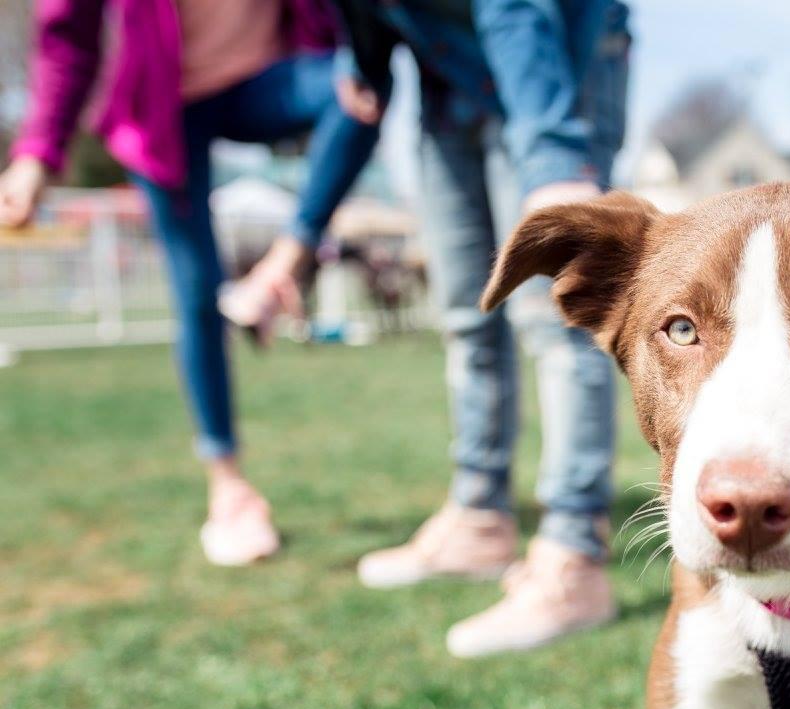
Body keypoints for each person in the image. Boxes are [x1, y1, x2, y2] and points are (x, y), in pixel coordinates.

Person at [0, 0, 380, 566]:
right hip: (162, 105)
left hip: (267, 80)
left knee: (364, 82)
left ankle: (282, 264)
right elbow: (67, 36)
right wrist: (36, 153)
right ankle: (229, 489)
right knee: (197, 290)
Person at [332, 0, 630, 657]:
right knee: (468, 314)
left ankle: (575, 557)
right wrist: (364, 61)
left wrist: (555, 163)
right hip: (449, 88)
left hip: (557, 62)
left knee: (556, 319)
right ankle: (478, 519)